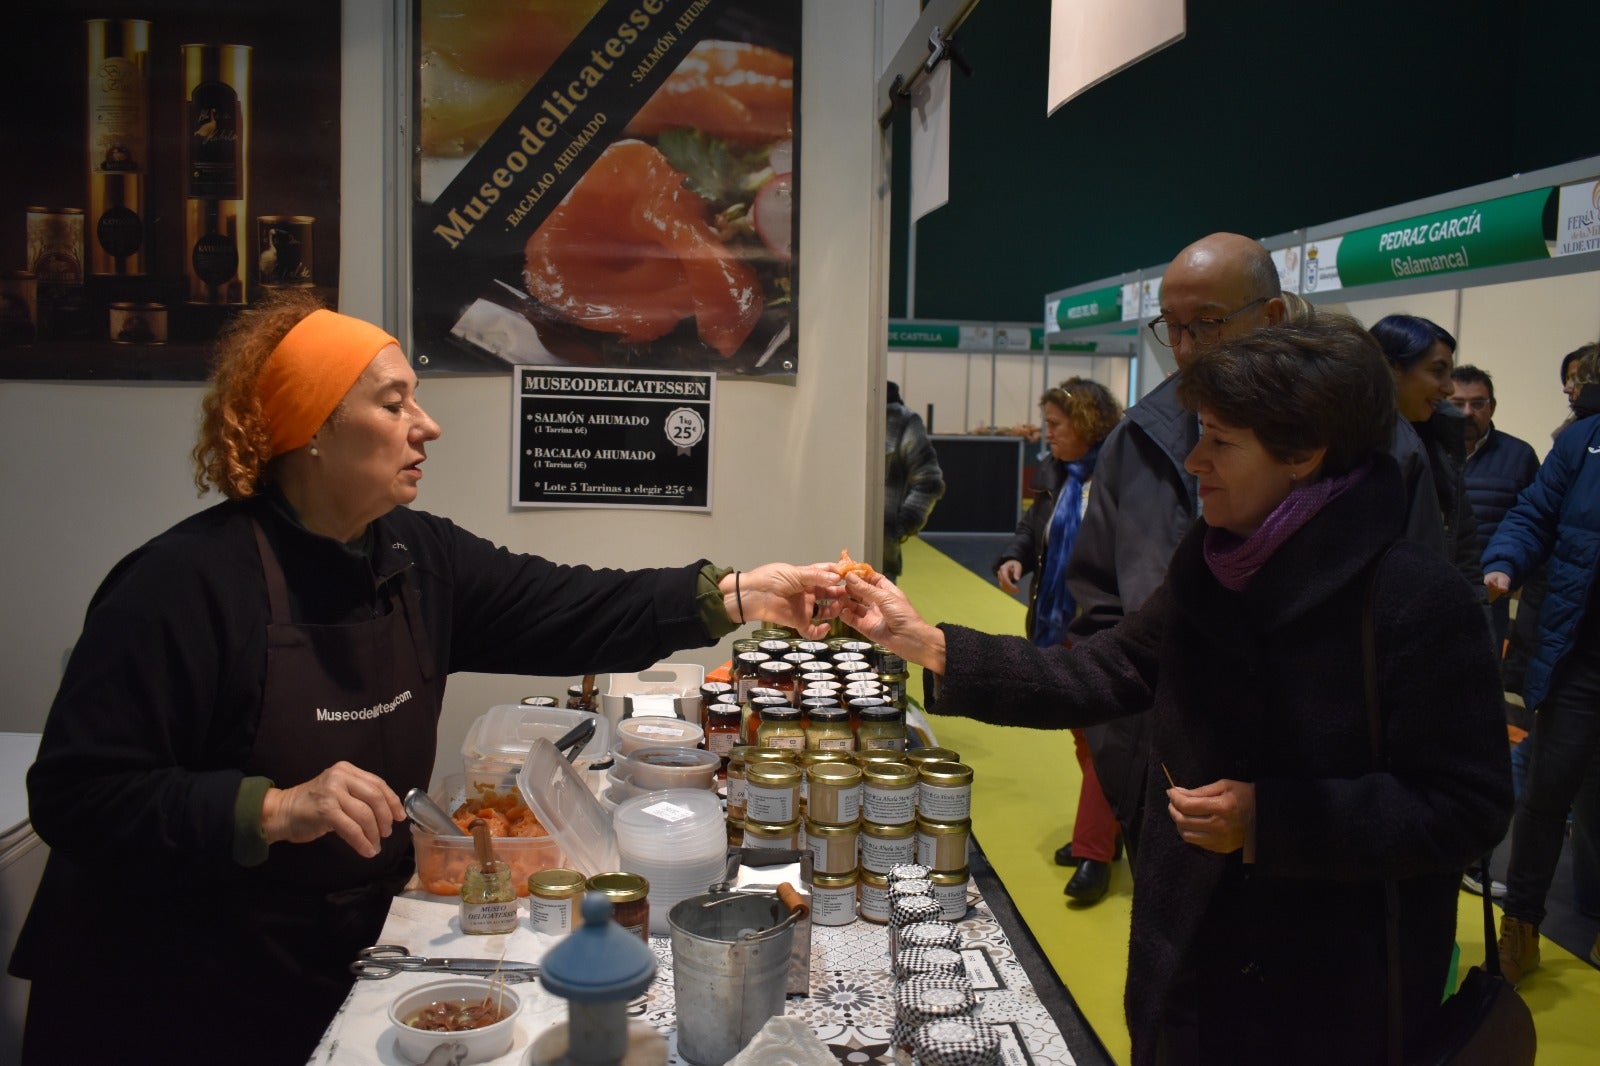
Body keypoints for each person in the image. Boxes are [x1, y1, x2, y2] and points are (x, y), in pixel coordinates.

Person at [9, 292, 845, 1066]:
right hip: (167, 994)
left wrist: (733, 594)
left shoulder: (414, 557)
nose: (428, 425)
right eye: (394, 401)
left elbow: (573, 606)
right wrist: (271, 807)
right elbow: (78, 793)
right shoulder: (183, 585)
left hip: (318, 959)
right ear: (312, 428)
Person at [841, 317, 1510, 1064]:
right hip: (1187, 963)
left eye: (1221, 441)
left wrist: (1271, 820)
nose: (1195, 460)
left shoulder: (1415, 600)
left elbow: (1467, 805)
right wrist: (926, 642)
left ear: (1304, 454)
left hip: (1330, 998)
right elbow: (1105, 668)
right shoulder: (1215, 562)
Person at [1065, 233, 1445, 866]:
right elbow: (1101, 605)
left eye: (1207, 325)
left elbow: (1419, 632)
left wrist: (1312, 799)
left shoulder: (1376, 448)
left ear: (1270, 316)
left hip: (1320, 829)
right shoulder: (1140, 437)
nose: (1184, 350)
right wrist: (1135, 757)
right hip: (1169, 794)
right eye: (1171, 328)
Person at [1486, 344, 1600, 985]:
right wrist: (1507, 558)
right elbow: (1534, 512)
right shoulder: (1585, 441)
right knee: (1546, 793)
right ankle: (1521, 925)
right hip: (1580, 654)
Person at [993, 378, 1124, 903]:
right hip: (1057, 626)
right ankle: (1107, 833)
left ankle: (1095, 850)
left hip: (1104, 629)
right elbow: (1033, 528)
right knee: (1082, 735)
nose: (1046, 436)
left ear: (1087, 424)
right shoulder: (1058, 476)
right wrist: (1015, 556)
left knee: (1101, 738)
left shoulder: (1119, 480)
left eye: (1055, 425)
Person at [1369, 315, 1486, 602]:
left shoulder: (1440, 442)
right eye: (1438, 371)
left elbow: (1464, 545)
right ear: (1392, 368)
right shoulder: (1355, 446)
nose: (1449, 388)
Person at [1448, 364, 1540, 649]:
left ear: (1492, 406)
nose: (1467, 412)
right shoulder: (1427, 451)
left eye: (1477, 403)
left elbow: (1535, 524)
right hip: (1432, 586)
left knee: (1482, 679)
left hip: (1489, 592)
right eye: (1457, 403)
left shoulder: (1519, 456)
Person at [883, 380, 945, 582]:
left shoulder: (902, 421)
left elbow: (929, 482)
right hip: (822, 553)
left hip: (879, 562)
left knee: (875, 612)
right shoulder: (837, 413)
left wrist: (901, 525)